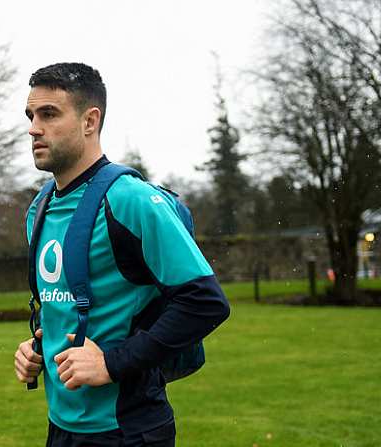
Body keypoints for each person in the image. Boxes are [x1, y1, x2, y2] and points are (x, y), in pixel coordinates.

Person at [13, 62, 230, 447]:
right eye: (31, 115)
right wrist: (38, 348)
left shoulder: (131, 201)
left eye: (49, 114)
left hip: (127, 430)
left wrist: (112, 363)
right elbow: (66, 305)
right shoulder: (39, 209)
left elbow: (205, 302)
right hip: (61, 426)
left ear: (89, 121)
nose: (33, 128)